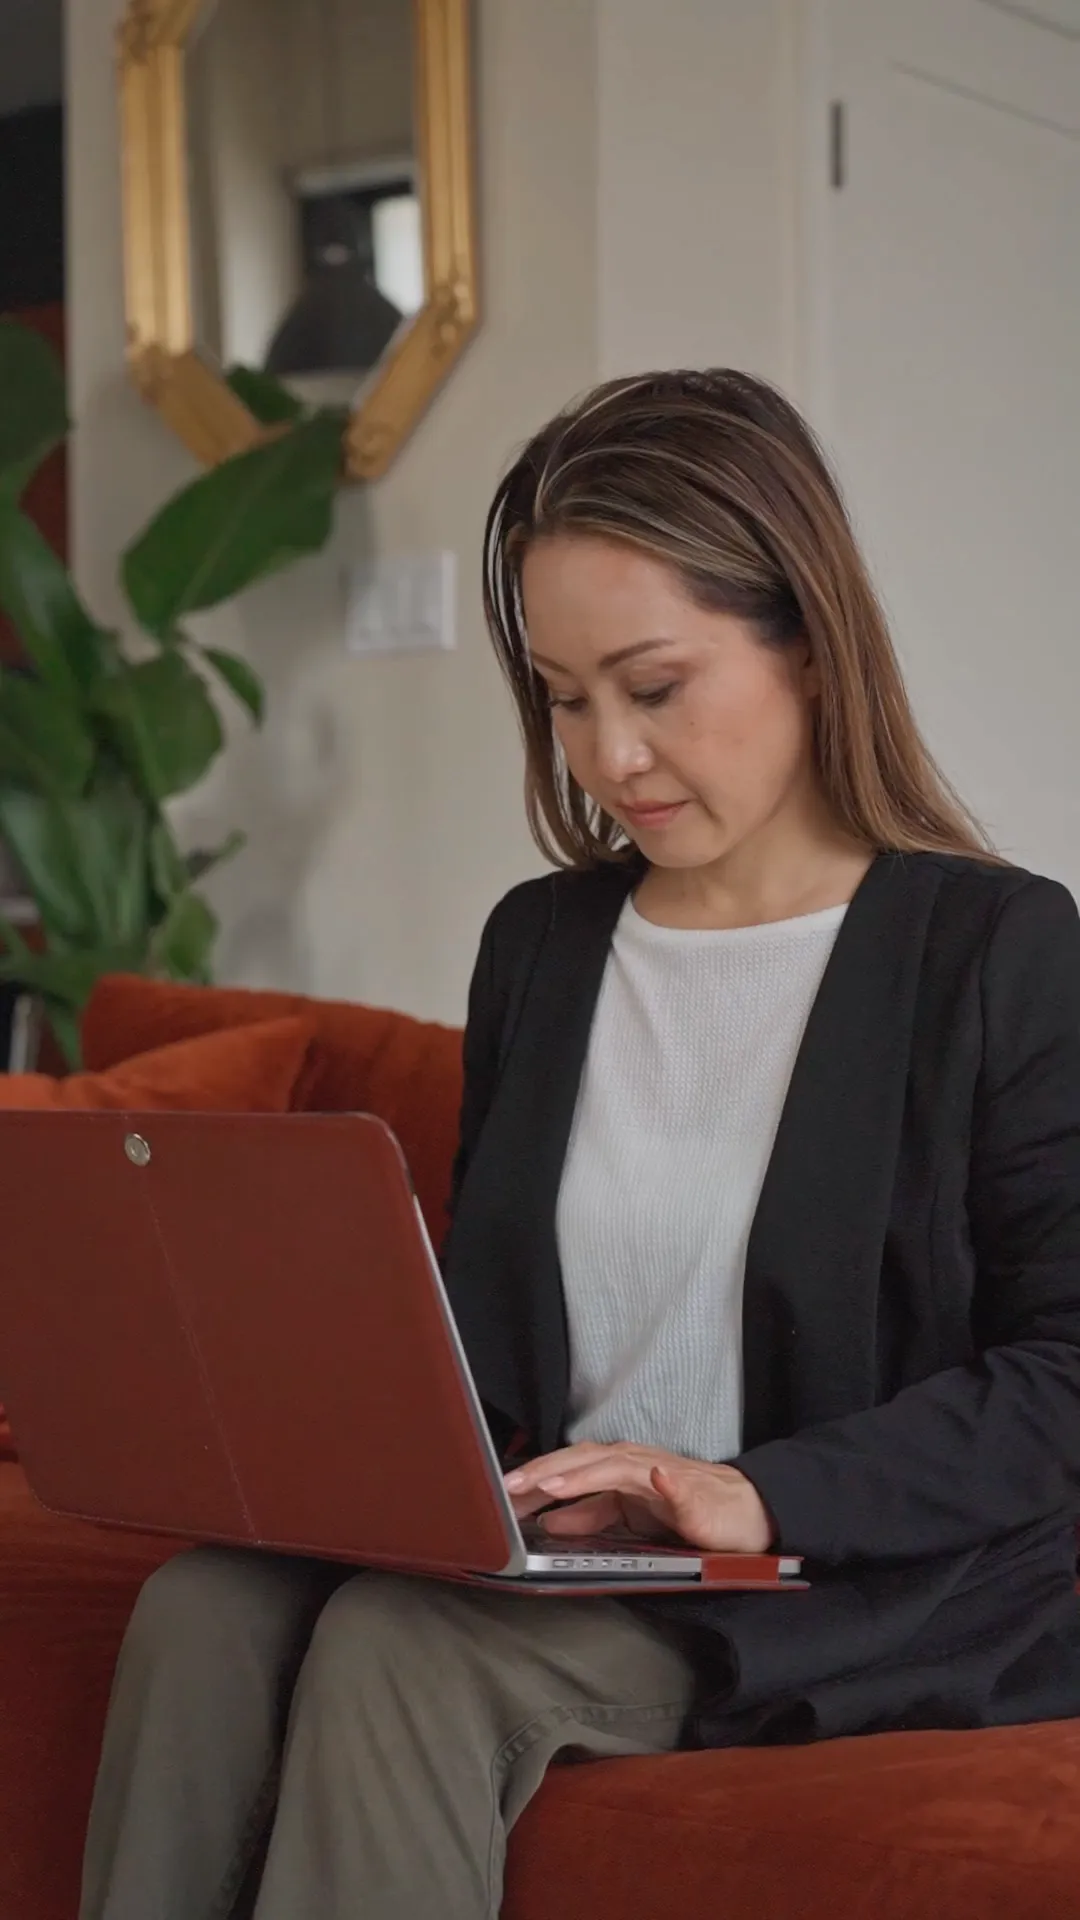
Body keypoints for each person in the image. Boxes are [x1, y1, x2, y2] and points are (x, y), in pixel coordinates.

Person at [80, 370, 1080, 1920]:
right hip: (560, 1544)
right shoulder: (543, 946)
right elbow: (490, 1337)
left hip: (832, 1577)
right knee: (204, 1608)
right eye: (563, 696)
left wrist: (754, 1494)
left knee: (402, 1654)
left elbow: (1064, 1374)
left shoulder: (995, 949)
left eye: (655, 683)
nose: (608, 754)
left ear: (805, 637)